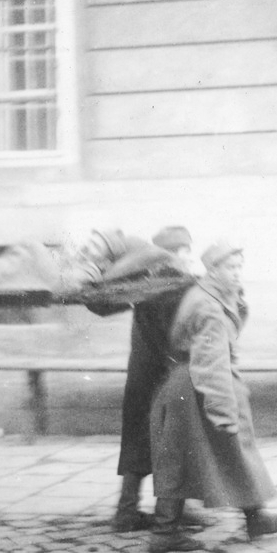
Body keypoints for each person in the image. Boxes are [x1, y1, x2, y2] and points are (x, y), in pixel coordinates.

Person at [147, 241, 277, 553]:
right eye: (231, 267)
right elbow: (211, 361)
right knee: (184, 457)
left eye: (240, 267)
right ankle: (164, 534)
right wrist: (222, 411)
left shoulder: (208, 295)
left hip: (192, 384)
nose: (237, 273)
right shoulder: (208, 306)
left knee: (228, 452)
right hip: (199, 386)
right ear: (213, 270)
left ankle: (255, 517)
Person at [110, 226, 199, 532]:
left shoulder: (145, 284)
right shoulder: (174, 285)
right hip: (163, 375)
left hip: (140, 376)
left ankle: (126, 510)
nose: (186, 257)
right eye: (181, 251)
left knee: (137, 440)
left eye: (187, 250)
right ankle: (170, 512)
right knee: (174, 441)